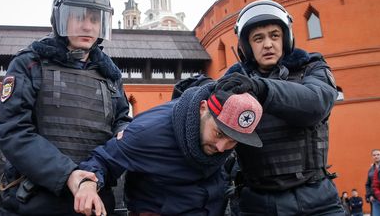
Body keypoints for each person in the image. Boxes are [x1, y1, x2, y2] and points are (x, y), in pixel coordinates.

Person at [0, 0, 131, 215]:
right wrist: (68, 174)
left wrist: (97, 172)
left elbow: (122, 123)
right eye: (79, 17)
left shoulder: (110, 75)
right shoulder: (30, 63)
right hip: (38, 200)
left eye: (95, 19)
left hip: (97, 200)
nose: (87, 27)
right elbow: (11, 128)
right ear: (60, 18)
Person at [223, 0, 344, 215]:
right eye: (258, 38)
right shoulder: (234, 82)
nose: (268, 44)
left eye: (274, 35)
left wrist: (261, 89)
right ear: (246, 46)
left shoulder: (312, 68)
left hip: (318, 201)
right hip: (257, 204)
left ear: (286, 38)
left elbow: (315, 104)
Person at [72, 80, 264, 216]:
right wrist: (88, 184)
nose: (222, 148)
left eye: (233, 141)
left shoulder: (220, 138)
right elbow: (102, 159)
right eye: (219, 134)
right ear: (203, 108)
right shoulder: (147, 132)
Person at [366, 149, 380, 214]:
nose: (376, 156)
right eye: (374, 155)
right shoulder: (371, 170)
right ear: (372, 157)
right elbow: (367, 184)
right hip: (375, 199)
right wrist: (369, 195)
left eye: (378, 154)